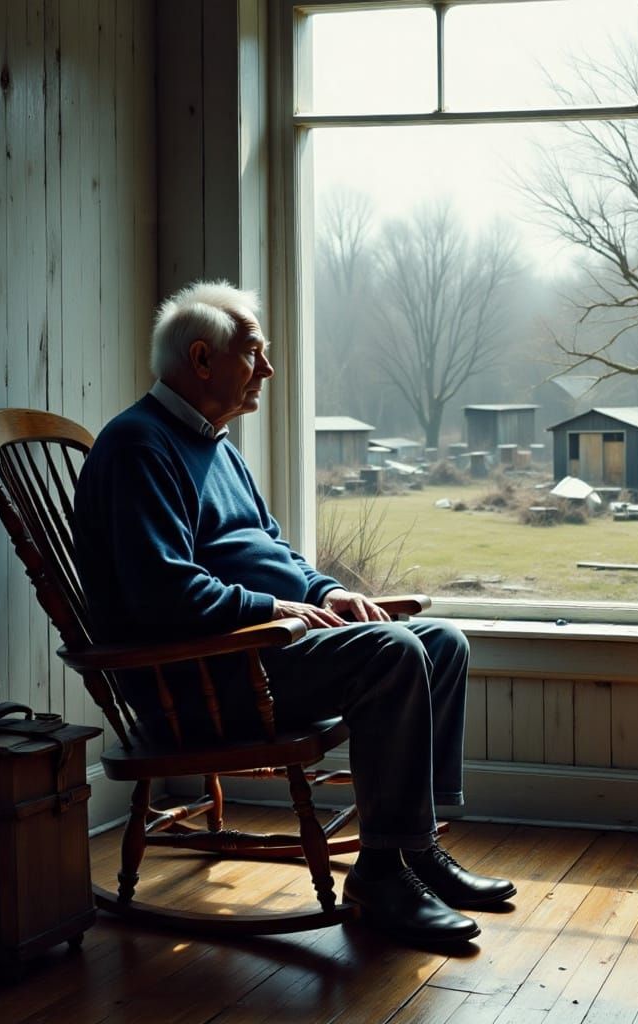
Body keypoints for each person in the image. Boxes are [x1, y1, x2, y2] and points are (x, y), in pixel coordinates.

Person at [73, 279, 515, 945]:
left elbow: (273, 549)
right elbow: (160, 592)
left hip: (260, 649)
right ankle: (381, 879)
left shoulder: (216, 446)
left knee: (441, 640)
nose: (269, 370)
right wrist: (272, 607)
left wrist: (323, 592)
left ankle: (412, 852)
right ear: (200, 360)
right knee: (394, 652)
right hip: (202, 677)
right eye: (254, 353)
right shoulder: (139, 447)